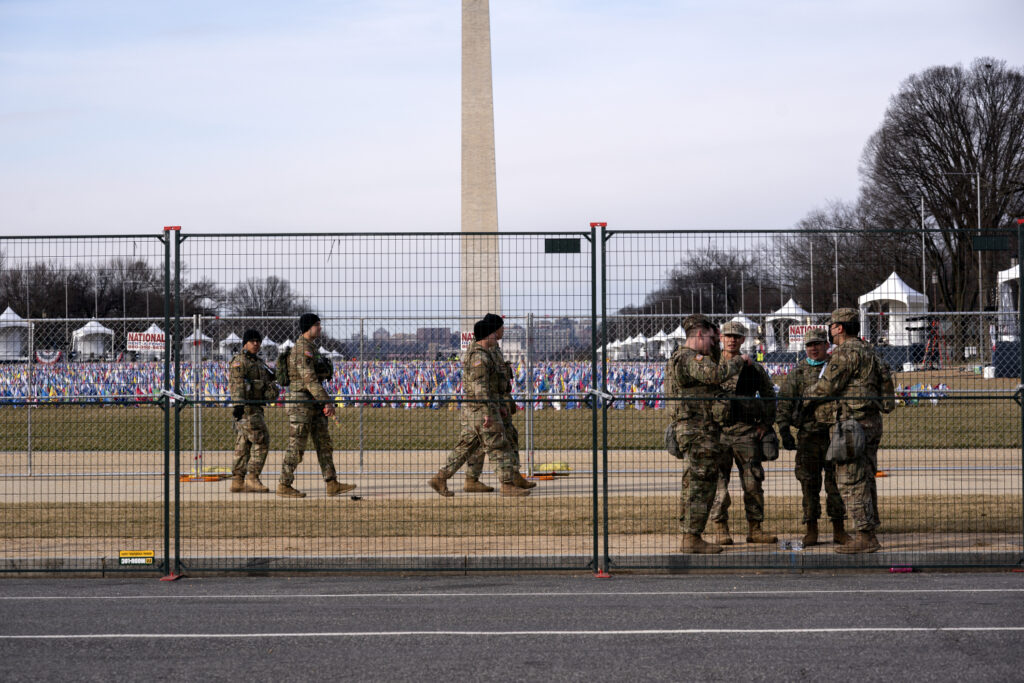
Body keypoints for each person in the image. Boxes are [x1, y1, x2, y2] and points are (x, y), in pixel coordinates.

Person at [805, 308, 892, 553]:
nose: (829, 330)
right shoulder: (869, 351)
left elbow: (827, 387)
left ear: (840, 328)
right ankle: (869, 531)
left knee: (851, 480)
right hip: (871, 422)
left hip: (852, 426)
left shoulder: (846, 353)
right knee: (865, 478)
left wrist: (804, 396)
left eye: (831, 325)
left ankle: (865, 536)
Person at [664, 314, 749, 553]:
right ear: (700, 334)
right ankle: (692, 538)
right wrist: (740, 361)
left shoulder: (677, 358)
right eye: (713, 338)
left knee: (694, 482)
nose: (715, 343)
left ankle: (690, 534)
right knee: (700, 484)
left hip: (693, 430)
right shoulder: (690, 358)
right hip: (697, 430)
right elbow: (715, 374)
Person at [428, 314, 528, 497]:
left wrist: (500, 404)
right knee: (499, 444)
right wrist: (487, 414)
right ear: (489, 334)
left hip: (479, 409)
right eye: (497, 331)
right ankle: (507, 485)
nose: (500, 334)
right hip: (481, 409)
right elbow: (480, 388)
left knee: (467, 446)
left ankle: (440, 477)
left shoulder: (485, 353)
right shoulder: (480, 358)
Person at [776, 327, 851, 547]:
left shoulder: (835, 368)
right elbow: (785, 402)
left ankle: (839, 529)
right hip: (809, 436)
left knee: (835, 484)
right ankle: (812, 529)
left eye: (818, 344)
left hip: (833, 434)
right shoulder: (798, 373)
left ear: (827, 345)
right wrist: (783, 429)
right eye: (809, 345)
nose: (813, 348)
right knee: (809, 484)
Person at [707, 321, 778, 545]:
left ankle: (755, 529)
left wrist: (765, 424)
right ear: (721, 338)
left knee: (753, 482)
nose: (732, 340)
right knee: (719, 483)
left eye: (737, 337)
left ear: (743, 340)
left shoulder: (753, 368)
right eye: (728, 336)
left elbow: (769, 395)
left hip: (746, 431)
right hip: (717, 431)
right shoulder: (711, 366)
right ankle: (720, 528)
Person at [277, 313, 357, 498]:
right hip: (301, 402)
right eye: (317, 325)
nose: (320, 328)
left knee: (323, 443)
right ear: (308, 327)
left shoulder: (312, 348)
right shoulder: (301, 350)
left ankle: (331, 482)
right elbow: (310, 380)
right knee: (297, 445)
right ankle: (284, 484)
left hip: (312, 400)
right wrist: (326, 401)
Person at [227, 329, 278, 493]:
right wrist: (238, 405)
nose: (256, 343)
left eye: (258, 341)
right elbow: (237, 384)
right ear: (245, 343)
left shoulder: (258, 362)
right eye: (252, 341)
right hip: (247, 409)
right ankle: (252, 477)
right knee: (262, 440)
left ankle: (237, 479)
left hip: (255, 407)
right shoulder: (240, 361)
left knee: (244, 443)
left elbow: (270, 378)